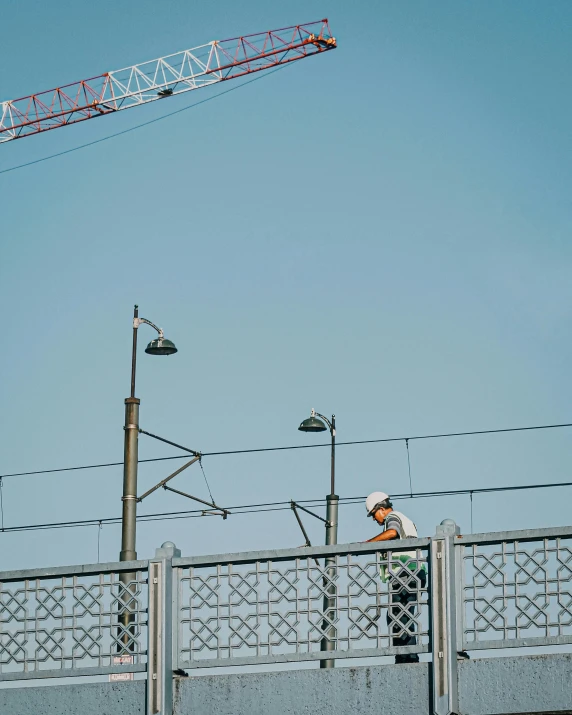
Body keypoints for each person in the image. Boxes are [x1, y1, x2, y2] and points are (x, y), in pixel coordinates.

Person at [364, 491, 426, 664]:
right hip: (411, 571)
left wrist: (368, 544)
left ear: (381, 509)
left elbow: (392, 532)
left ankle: (407, 657)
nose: (374, 519)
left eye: (373, 514)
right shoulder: (403, 518)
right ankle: (405, 654)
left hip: (406, 571)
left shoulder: (393, 517)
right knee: (398, 614)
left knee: (399, 615)